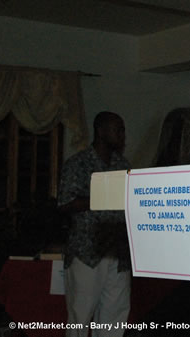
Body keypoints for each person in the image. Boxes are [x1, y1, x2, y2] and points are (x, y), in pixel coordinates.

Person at [58, 112, 131, 337]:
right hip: (87, 251)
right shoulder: (78, 163)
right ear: (100, 131)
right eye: (117, 130)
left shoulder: (123, 165)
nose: (122, 135)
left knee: (114, 319)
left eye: (123, 130)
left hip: (118, 253)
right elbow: (65, 202)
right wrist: (101, 198)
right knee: (80, 318)